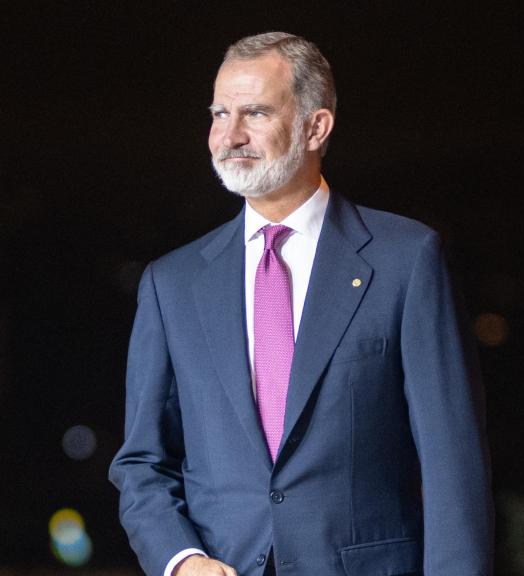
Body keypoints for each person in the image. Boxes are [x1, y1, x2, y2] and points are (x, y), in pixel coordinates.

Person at [109, 32, 492, 576]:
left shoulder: (406, 259)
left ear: (316, 126)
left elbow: (453, 463)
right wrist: (182, 560)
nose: (230, 135)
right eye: (220, 114)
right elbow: (143, 463)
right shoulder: (171, 284)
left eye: (255, 113)